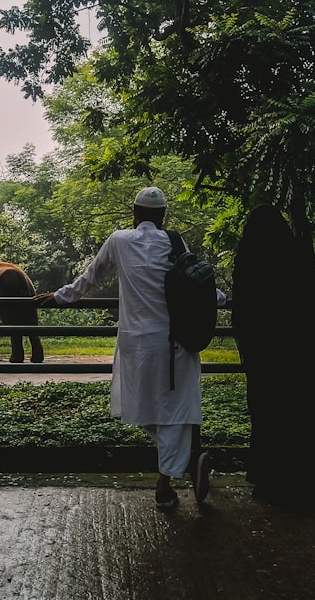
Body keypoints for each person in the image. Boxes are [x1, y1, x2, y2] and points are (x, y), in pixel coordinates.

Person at [35, 186, 226, 509]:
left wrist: (58, 296)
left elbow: (88, 279)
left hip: (137, 346)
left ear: (134, 214)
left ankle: (168, 482)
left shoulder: (119, 241)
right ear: (163, 216)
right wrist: (221, 299)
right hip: (177, 343)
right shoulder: (174, 242)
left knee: (141, 409)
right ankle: (180, 470)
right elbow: (194, 281)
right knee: (176, 410)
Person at [231, 204, 315, 509]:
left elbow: (242, 312)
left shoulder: (248, 263)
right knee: (310, 413)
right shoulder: (296, 257)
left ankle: (274, 481)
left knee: (272, 415)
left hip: (267, 359)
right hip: (305, 356)